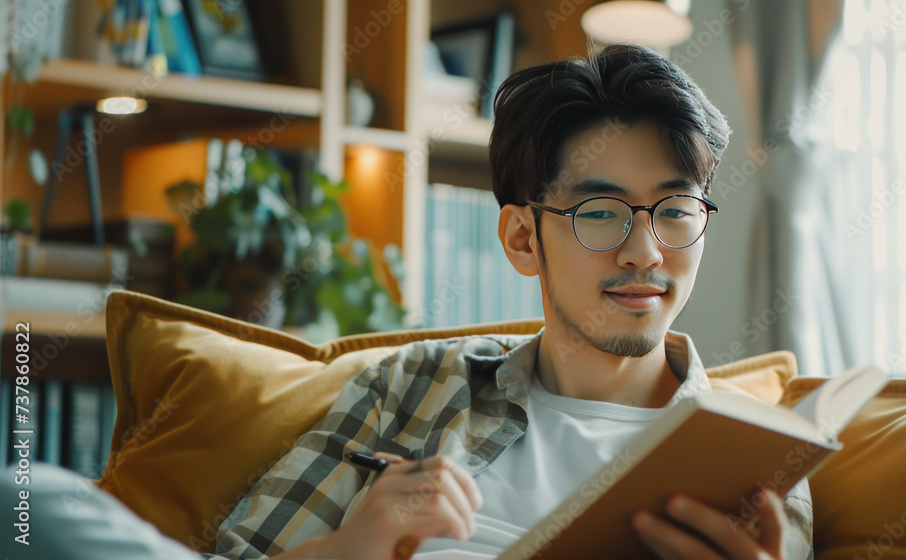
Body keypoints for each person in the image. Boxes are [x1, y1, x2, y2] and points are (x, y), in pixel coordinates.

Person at [0, 44, 812, 560]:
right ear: (522, 238)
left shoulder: (759, 459)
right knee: (29, 503)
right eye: (601, 213)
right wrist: (355, 544)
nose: (645, 251)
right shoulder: (416, 384)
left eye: (674, 211)